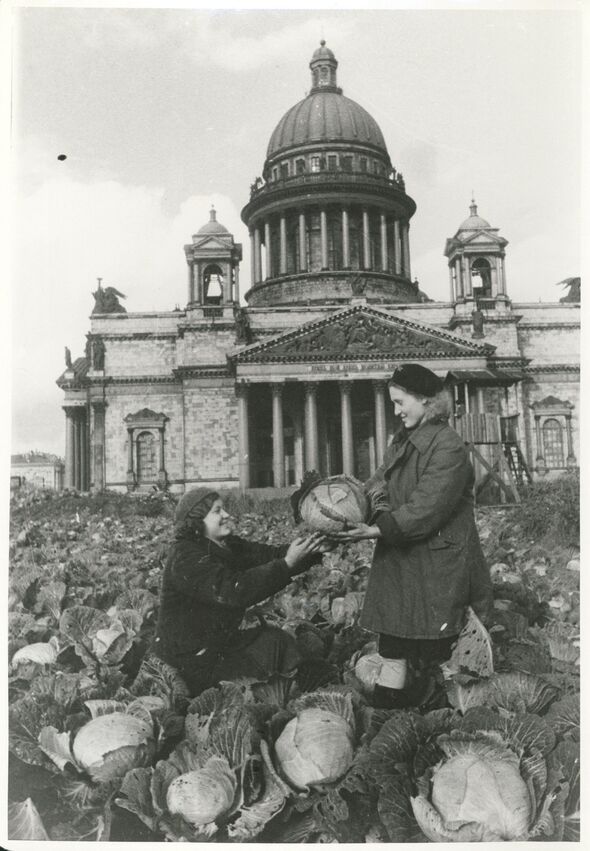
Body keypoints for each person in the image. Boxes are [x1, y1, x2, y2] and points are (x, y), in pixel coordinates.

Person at [332, 363, 492, 709]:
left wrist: (375, 529)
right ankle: (388, 717)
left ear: (424, 400)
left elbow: (427, 508)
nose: (396, 410)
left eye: (400, 402)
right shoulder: (402, 441)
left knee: (436, 649)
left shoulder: (448, 446)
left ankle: (439, 720)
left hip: (437, 562)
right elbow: (379, 484)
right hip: (402, 557)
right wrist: (346, 501)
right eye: (392, 402)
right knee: (393, 647)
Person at [152, 488, 326, 696]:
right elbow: (236, 590)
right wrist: (286, 564)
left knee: (277, 640)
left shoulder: (225, 546)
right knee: (270, 652)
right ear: (197, 520)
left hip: (216, 647)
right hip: (190, 661)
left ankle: (299, 689)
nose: (227, 515)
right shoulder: (185, 556)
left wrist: (315, 549)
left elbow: (269, 555)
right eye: (218, 511)